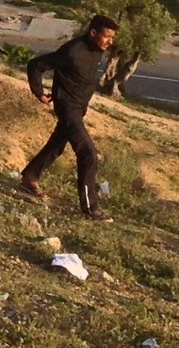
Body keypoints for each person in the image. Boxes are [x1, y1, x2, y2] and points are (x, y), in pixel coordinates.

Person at [23, 15, 119, 215]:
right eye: (107, 37)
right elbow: (36, 65)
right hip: (67, 109)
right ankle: (90, 208)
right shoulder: (72, 51)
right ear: (93, 33)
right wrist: (39, 91)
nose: (110, 42)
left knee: (57, 146)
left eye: (112, 38)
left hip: (79, 108)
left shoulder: (96, 50)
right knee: (88, 155)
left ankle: (30, 176)